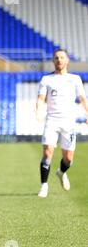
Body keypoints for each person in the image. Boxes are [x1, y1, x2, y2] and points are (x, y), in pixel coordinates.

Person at [36, 49, 88, 198]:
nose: (59, 60)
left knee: (69, 158)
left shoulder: (75, 79)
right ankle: (44, 186)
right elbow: (40, 98)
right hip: (51, 120)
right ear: (53, 61)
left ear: (67, 60)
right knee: (47, 152)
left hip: (69, 122)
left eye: (62, 57)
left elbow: (83, 99)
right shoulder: (46, 79)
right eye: (56, 58)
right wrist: (38, 110)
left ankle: (61, 172)